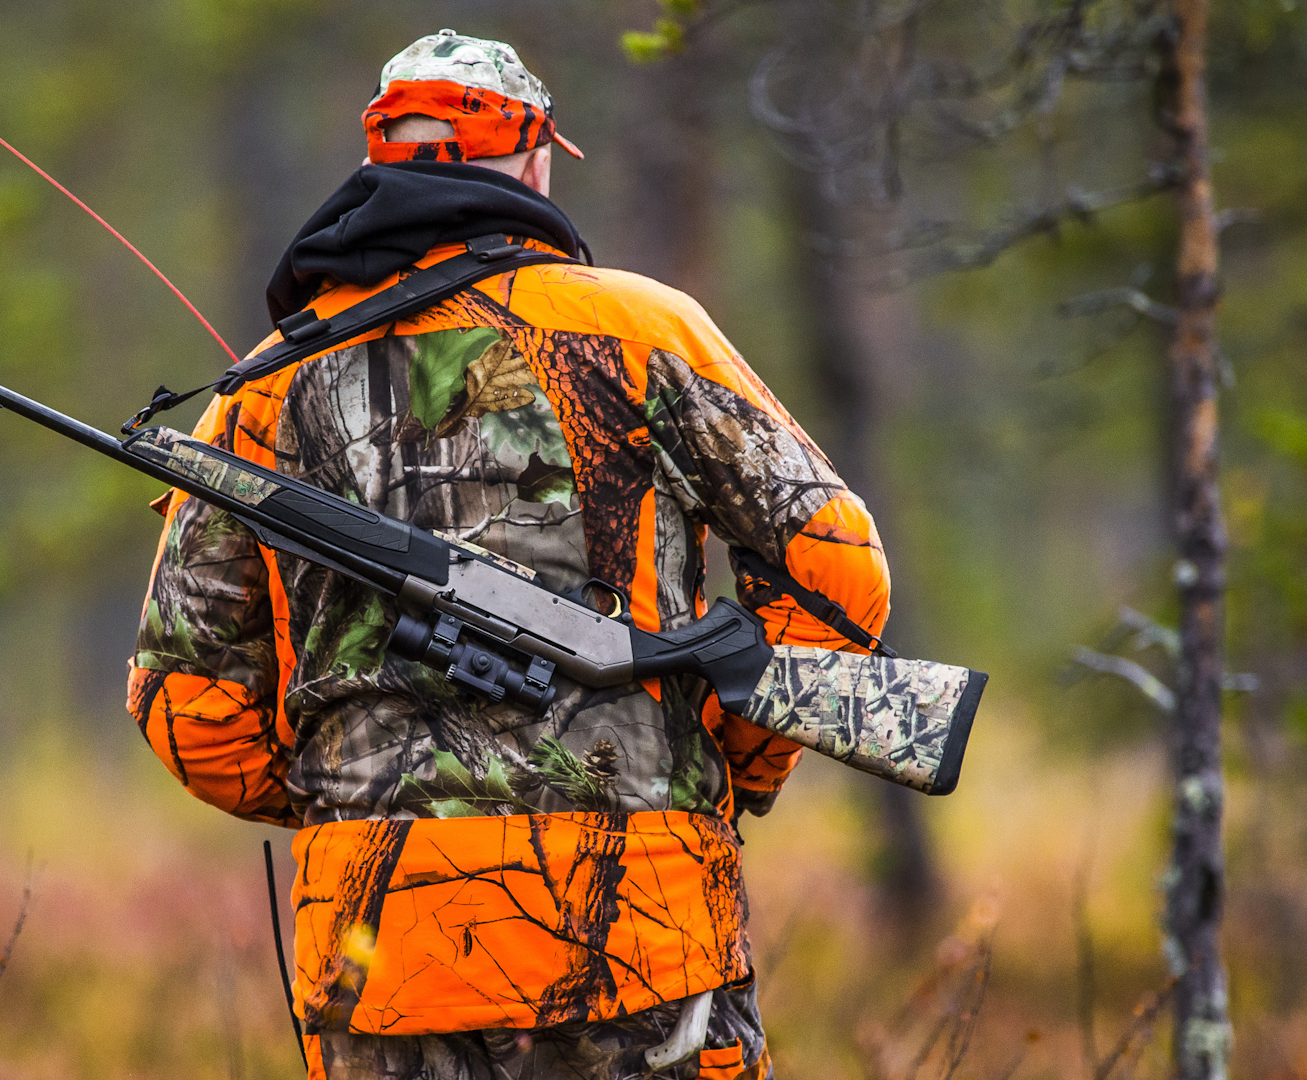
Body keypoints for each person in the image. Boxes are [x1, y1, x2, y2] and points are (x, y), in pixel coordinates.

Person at [127, 29, 890, 1080]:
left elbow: (188, 707)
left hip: (377, 947)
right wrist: (720, 752)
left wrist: (350, 793)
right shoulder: (645, 330)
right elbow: (838, 563)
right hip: (640, 928)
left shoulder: (263, 387)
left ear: (381, 157)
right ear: (532, 157)